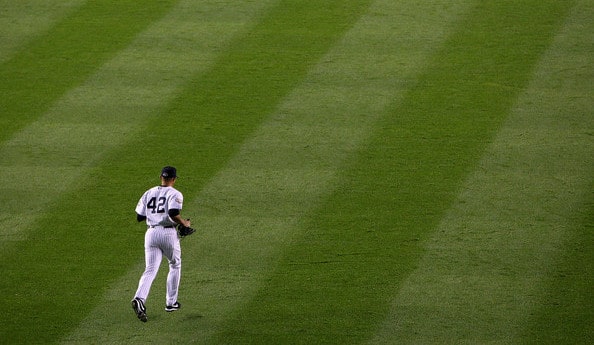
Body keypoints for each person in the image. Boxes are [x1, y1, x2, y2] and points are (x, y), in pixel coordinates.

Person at [131, 166, 191, 322]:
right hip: (167, 233)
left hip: (150, 234)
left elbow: (139, 216)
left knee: (150, 269)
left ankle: (139, 298)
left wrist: (155, 215)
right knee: (175, 264)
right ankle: (171, 303)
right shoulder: (175, 193)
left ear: (161, 177)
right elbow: (173, 213)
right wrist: (184, 223)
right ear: (174, 179)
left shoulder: (148, 192)